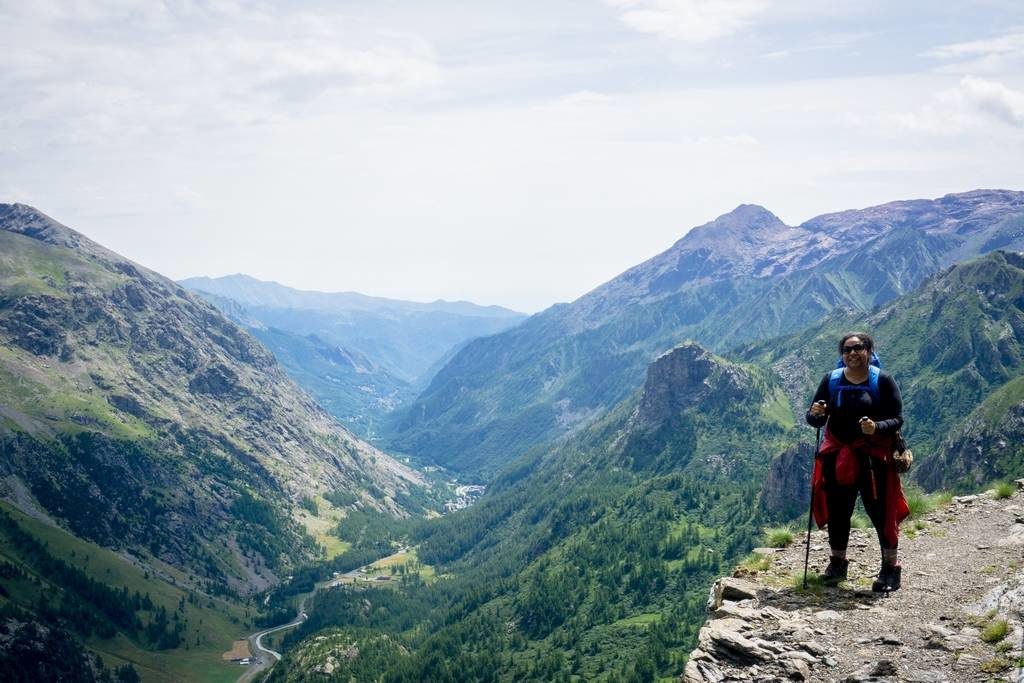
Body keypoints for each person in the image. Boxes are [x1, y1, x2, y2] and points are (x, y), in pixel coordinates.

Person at [805, 332, 909, 592]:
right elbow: (815, 418)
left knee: (880, 512)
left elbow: (897, 419)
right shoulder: (830, 381)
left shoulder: (882, 381)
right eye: (847, 349)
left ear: (870, 351)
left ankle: (890, 569)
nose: (852, 353)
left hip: (872, 459)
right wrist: (815, 414)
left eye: (858, 348)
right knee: (839, 512)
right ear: (842, 354)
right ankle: (837, 563)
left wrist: (876, 428)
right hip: (838, 456)